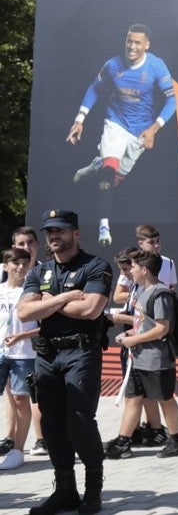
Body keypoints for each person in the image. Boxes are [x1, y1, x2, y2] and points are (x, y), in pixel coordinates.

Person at [17, 210, 114, 515]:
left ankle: (93, 491)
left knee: (80, 420)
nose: (54, 236)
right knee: (52, 424)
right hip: (47, 355)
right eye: (49, 232)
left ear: (76, 233)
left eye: (60, 230)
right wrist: (64, 298)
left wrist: (45, 305)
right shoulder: (39, 272)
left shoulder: (95, 266)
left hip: (81, 352)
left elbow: (91, 310)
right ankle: (65, 491)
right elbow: (23, 313)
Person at [67, 24, 176, 247]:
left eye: (137, 42)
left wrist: (154, 129)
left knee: (115, 178)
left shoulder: (156, 66)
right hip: (115, 122)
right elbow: (94, 89)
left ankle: (95, 167)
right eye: (129, 41)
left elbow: (171, 100)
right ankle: (104, 224)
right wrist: (80, 119)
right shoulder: (112, 65)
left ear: (147, 45)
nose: (132, 46)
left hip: (141, 131)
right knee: (111, 167)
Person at [104, 249, 178, 459]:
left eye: (132, 267)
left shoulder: (160, 293)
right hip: (138, 359)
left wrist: (134, 339)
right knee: (133, 398)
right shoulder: (140, 292)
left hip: (157, 360)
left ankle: (176, 440)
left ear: (145, 270)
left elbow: (162, 328)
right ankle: (123, 442)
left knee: (165, 399)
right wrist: (131, 333)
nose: (129, 271)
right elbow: (145, 323)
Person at [9, 227, 45, 458]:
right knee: (13, 396)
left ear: (37, 245)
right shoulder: (5, 273)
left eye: (30, 243)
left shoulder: (45, 272)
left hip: (37, 347)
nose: (25, 247)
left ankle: (42, 438)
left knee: (35, 395)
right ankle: (11, 437)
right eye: (20, 243)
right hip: (9, 348)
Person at [0, 248, 37, 471]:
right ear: (6, 266)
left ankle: (17, 450)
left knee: (21, 400)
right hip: (1, 352)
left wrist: (22, 335)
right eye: (16, 263)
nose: (21, 267)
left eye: (25, 262)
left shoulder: (33, 293)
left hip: (24, 354)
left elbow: (45, 326)